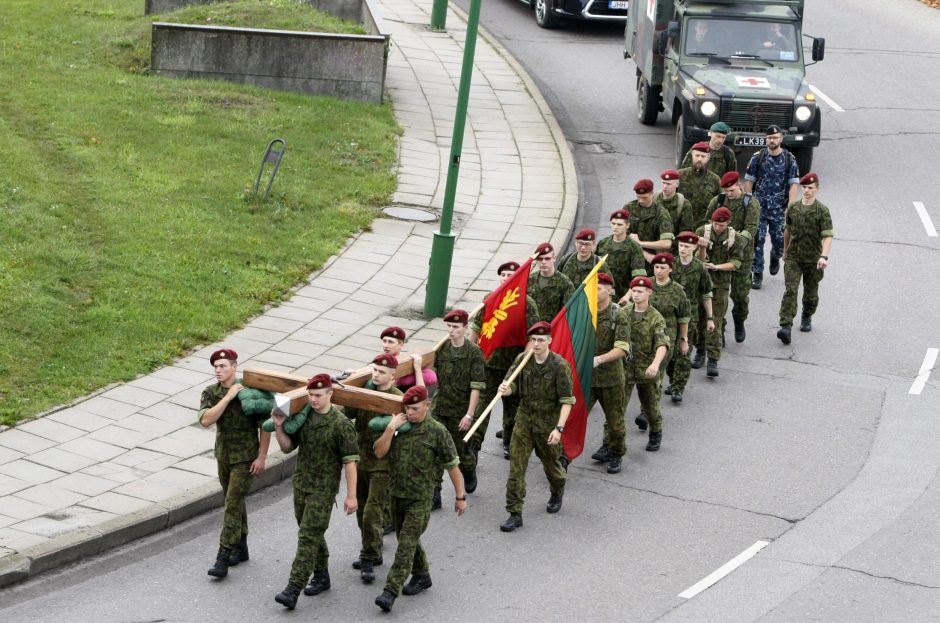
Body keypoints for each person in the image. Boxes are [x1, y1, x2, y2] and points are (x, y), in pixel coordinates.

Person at [373, 386, 467, 612]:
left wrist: (460, 496)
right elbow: (378, 452)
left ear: (428, 405)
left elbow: (453, 466)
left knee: (405, 543)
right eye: (408, 408)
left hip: (421, 499)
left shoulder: (437, 432)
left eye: (416, 408)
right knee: (408, 539)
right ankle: (422, 575)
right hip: (396, 494)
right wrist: (389, 428)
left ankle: (390, 591)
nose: (411, 412)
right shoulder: (399, 427)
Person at [272, 374, 359, 610]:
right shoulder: (305, 418)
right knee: (310, 532)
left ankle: (293, 588)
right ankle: (321, 574)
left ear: (330, 394)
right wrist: (279, 427)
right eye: (310, 395)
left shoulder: (341, 425)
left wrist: (352, 495)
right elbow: (287, 446)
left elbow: (351, 462)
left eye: (318, 395)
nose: (313, 400)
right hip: (301, 485)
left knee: (308, 536)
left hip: (323, 490)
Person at [199, 348, 271, 580]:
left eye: (223, 366)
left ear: (234, 366)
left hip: (245, 457)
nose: (218, 371)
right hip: (224, 455)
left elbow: (265, 425)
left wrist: (261, 457)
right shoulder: (210, 392)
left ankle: (223, 556)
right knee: (234, 500)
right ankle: (241, 546)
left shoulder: (250, 392)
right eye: (216, 367)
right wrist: (228, 397)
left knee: (232, 503)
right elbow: (206, 420)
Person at [498, 322, 574, 532]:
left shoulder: (560, 366)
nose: (537, 344)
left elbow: (567, 400)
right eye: (534, 340)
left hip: (547, 425)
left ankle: (557, 490)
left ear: (549, 340)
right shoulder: (523, 360)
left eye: (541, 340)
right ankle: (515, 512)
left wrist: (558, 429)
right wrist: (507, 389)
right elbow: (512, 383)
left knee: (553, 468)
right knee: (516, 469)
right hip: (524, 422)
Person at [469, 261, 540, 460]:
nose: (507, 278)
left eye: (512, 275)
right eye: (504, 274)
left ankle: (509, 440)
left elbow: (532, 338)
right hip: (489, 364)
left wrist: (523, 360)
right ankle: (474, 445)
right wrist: (472, 354)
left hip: (513, 367)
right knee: (481, 406)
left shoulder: (527, 303)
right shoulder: (490, 299)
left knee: (512, 407)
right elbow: (477, 328)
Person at [344, 355, 403, 584]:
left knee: (372, 512)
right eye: (374, 370)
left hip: (383, 465)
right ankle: (374, 548)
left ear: (392, 376)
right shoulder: (365, 392)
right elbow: (347, 413)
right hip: (360, 461)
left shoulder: (399, 400)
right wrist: (347, 389)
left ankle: (368, 556)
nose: (376, 375)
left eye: (381, 371)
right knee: (361, 511)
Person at [431, 309, 486, 494]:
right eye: (449, 326)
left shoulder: (474, 353)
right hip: (440, 407)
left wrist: (469, 415)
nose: (451, 330)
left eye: (455, 327)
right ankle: (435, 493)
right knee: (435, 450)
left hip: (460, 409)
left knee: (459, 450)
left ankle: (469, 470)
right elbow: (432, 374)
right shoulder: (441, 348)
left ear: (465, 328)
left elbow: (476, 387)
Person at [777, 172, 834, 344]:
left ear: (817, 189)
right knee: (790, 290)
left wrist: (824, 256)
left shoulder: (822, 211)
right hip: (794, 257)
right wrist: (785, 251)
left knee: (810, 293)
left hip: (813, 259)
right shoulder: (793, 208)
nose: (807, 191)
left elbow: (828, 236)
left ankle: (807, 314)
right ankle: (785, 325)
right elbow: (788, 230)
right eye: (804, 187)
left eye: (810, 188)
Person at [705, 171, 760, 343]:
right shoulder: (718, 202)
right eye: (726, 191)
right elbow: (707, 223)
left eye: (732, 190)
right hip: (720, 256)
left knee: (740, 295)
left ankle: (739, 320)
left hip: (743, 256)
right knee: (718, 294)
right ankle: (720, 328)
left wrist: (734, 239)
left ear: (739, 186)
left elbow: (751, 228)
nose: (729, 194)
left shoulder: (750, 203)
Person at [745, 124, 800, 289]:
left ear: (781, 138)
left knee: (780, 241)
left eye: (775, 137)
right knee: (757, 240)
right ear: (766, 139)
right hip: (759, 207)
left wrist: (790, 207)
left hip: (779, 209)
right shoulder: (758, 157)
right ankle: (757, 273)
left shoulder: (789, 159)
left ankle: (775, 256)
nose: (772, 140)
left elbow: (793, 185)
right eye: (769, 138)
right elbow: (749, 182)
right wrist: (748, 203)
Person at [696, 208, 747, 378]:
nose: (718, 227)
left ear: (728, 223)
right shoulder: (702, 232)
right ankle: (700, 351)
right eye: (716, 224)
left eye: (722, 225)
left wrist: (717, 267)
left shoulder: (735, 238)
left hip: (720, 285)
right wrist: (702, 249)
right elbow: (696, 259)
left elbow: (736, 262)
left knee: (715, 321)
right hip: (701, 284)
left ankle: (712, 359)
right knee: (699, 319)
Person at [587, 273, 631, 474]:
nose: (595, 291)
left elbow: (622, 349)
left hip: (611, 379)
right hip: (588, 378)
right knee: (573, 418)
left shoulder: (619, 314)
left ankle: (616, 453)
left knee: (615, 423)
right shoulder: (586, 311)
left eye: (599, 287)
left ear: (610, 291)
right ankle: (564, 454)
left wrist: (599, 359)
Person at [621, 277, 669, 452]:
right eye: (633, 291)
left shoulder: (656, 318)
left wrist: (655, 365)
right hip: (625, 369)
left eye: (640, 291)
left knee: (650, 407)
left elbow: (662, 344)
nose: (636, 294)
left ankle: (656, 432)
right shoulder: (623, 313)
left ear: (649, 293)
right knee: (617, 410)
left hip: (646, 370)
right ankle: (611, 444)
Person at [668, 233, 715, 402]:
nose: (683, 249)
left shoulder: (699, 267)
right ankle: (673, 379)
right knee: (669, 352)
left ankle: (678, 387)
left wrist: (710, 317)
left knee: (683, 351)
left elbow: (706, 293)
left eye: (687, 246)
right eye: (681, 246)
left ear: (694, 247)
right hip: (670, 316)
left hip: (690, 316)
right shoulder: (670, 264)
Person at [645, 253, 691, 411]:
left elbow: (684, 317)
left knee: (656, 371)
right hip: (644, 335)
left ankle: (648, 411)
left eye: (663, 268)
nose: (659, 271)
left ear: (670, 269)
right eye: (656, 267)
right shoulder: (647, 285)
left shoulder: (678, 291)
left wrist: (684, 340)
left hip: (667, 337)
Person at [624, 178, 675, 271]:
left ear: (652, 193)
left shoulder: (661, 213)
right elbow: (621, 233)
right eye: (638, 197)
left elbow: (667, 243)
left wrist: (640, 244)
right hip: (629, 259)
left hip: (651, 264)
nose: (641, 201)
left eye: (644, 198)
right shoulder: (629, 208)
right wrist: (640, 250)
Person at [596, 209, 647, 299]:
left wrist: (627, 296)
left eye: (619, 224)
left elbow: (638, 277)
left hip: (623, 295)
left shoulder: (634, 247)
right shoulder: (602, 243)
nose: (615, 227)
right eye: (613, 223)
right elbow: (593, 268)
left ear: (627, 225)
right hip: (602, 295)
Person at [678, 142, 723, 230]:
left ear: (708, 158)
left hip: (704, 228)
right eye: (697, 155)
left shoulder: (715, 180)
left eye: (703, 156)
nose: (699, 159)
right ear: (692, 155)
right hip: (681, 226)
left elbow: (721, 204)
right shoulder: (680, 175)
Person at [528, 242, 575, 323]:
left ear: (554, 258)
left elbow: (570, 312)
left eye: (547, 259)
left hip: (552, 331)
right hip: (531, 330)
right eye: (540, 259)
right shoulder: (529, 280)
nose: (543, 262)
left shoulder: (565, 283)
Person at [655, 169, 694, 251]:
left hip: (673, 250)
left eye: (668, 184)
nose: (665, 186)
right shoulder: (654, 200)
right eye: (663, 183)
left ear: (677, 184)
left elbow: (685, 233)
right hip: (653, 246)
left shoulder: (684, 204)